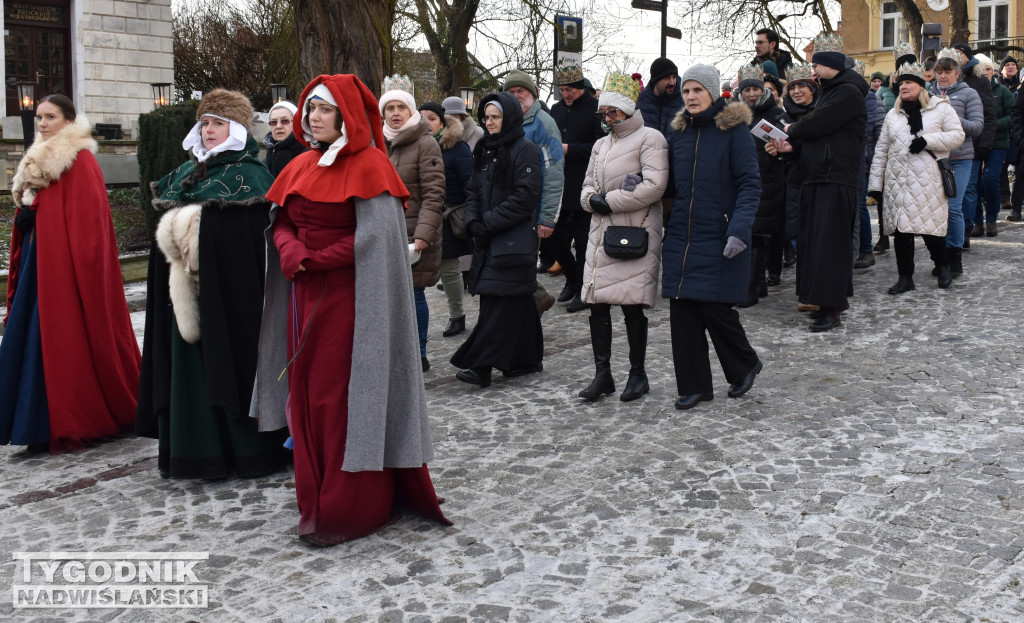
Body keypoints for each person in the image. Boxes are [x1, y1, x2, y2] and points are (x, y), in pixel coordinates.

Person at [252, 74, 450, 545]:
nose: (312, 117)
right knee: (305, 398)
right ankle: (315, 498)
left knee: (341, 399)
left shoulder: (371, 166)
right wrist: (288, 250)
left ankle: (350, 506)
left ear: (346, 115)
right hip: (303, 297)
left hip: (353, 305)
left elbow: (376, 240)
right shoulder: (300, 164)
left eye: (323, 109)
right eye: (309, 108)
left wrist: (315, 259)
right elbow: (280, 221)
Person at [136, 89, 290, 479]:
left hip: (230, 299)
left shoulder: (251, 176)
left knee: (231, 363)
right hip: (182, 297)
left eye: (218, 123)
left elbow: (250, 245)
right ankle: (193, 451)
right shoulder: (186, 173)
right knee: (188, 372)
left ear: (236, 128)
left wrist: (207, 246)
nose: (208, 130)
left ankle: (246, 451)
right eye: (204, 123)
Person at [1, 95, 140, 454]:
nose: (43, 123)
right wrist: (27, 217)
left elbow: (88, 226)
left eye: (50, 117)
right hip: (38, 262)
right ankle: (32, 423)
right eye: (39, 117)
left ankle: (71, 419)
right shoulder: (38, 159)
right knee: (31, 335)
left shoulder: (80, 161)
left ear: (68, 121)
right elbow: (37, 211)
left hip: (63, 270)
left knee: (62, 338)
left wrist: (40, 215)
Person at [663, 64, 762, 410]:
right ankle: (695, 386)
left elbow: (750, 184)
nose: (690, 97)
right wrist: (639, 182)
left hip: (719, 231)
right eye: (686, 91)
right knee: (683, 309)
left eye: (697, 91)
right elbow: (669, 183)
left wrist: (738, 228)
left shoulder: (734, 132)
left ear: (712, 93)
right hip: (682, 233)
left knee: (714, 307)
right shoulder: (678, 133)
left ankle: (744, 364)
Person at [578, 72, 668, 402]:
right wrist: (591, 200)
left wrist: (608, 201)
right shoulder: (601, 144)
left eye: (613, 111)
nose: (607, 117)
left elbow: (654, 186)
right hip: (601, 232)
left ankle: (637, 374)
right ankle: (603, 374)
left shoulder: (650, 138)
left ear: (628, 110)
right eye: (604, 112)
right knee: (598, 306)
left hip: (634, 229)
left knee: (631, 306)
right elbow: (587, 184)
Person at [768, 33, 867, 332]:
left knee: (830, 247)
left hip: (835, 179)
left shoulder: (847, 92)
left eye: (817, 65)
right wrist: (791, 149)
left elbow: (819, 124)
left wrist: (791, 130)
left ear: (831, 65)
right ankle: (822, 302)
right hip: (817, 177)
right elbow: (818, 137)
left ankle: (832, 307)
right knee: (814, 245)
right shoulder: (829, 91)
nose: (812, 70)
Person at [451, 92, 544, 387]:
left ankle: (480, 365)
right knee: (516, 299)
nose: (489, 123)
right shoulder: (485, 149)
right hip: (488, 238)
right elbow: (474, 190)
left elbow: (525, 197)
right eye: (486, 117)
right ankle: (525, 359)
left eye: (495, 117)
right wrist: (473, 220)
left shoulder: (525, 150)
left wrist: (488, 223)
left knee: (499, 300)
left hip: (513, 239)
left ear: (510, 118)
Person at [868, 61, 964, 294]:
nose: (903, 86)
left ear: (921, 86)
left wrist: (928, 141)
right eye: (901, 82)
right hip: (897, 181)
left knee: (931, 227)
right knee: (901, 231)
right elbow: (882, 150)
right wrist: (875, 185)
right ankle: (905, 277)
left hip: (927, 179)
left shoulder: (940, 108)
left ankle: (942, 267)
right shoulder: (893, 114)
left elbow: (957, 136)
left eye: (909, 82)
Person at [380, 75, 446, 372]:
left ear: (411, 111)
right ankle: (394, 349)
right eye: (390, 107)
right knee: (388, 295)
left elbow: (434, 194)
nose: (395, 113)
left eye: (401, 107)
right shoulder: (378, 144)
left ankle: (418, 352)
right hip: (384, 232)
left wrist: (423, 235)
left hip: (413, 233)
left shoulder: (425, 143)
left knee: (414, 294)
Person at [503, 70, 565, 315]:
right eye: (511, 92)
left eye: (521, 91)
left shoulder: (544, 124)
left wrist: (547, 217)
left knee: (521, 265)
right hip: (506, 208)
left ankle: (531, 312)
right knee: (509, 264)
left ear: (533, 95)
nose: (516, 96)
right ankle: (536, 300)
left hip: (531, 210)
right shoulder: (502, 120)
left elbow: (554, 171)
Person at [549, 63, 606, 313]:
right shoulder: (555, 109)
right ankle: (571, 277)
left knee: (583, 241)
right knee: (552, 237)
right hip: (559, 183)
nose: (566, 94)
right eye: (562, 89)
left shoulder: (595, 109)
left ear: (581, 87)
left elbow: (600, 145)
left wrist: (569, 149)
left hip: (585, 182)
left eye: (570, 89)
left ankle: (584, 288)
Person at [418, 102, 474, 337]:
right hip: (420, 217)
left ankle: (457, 315)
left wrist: (470, 214)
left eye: (432, 118)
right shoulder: (415, 145)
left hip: (447, 218)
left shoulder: (456, 148)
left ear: (442, 122)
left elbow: (470, 184)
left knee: (449, 269)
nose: (426, 123)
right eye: (421, 118)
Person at [736, 64, 789, 306]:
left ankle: (750, 288)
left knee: (755, 233)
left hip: (768, 179)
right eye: (746, 90)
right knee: (750, 233)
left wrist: (778, 151)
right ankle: (757, 285)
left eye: (755, 90)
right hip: (743, 180)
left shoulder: (775, 113)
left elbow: (789, 147)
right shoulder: (735, 113)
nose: (751, 94)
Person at [930, 48, 985, 278]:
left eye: (948, 71)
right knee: (936, 210)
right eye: (939, 72)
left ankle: (955, 258)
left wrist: (951, 113)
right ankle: (940, 259)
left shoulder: (969, 93)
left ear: (957, 72)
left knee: (953, 207)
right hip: (934, 158)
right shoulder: (928, 93)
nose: (943, 76)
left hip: (961, 159)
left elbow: (977, 127)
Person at [952, 43, 997, 249]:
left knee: (969, 189)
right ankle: (955, 230)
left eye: (959, 53)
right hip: (947, 146)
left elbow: (988, 114)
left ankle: (965, 230)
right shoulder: (944, 80)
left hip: (973, 144)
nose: (956, 57)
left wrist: (985, 144)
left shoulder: (979, 81)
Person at [778, 63, 817, 278]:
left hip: (819, 179)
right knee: (796, 232)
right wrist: (782, 151)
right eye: (792, 87)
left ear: (812, 88)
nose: (796, 91)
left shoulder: (822, 112)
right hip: (795, 180)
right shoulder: (785, 117)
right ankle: (805, 282)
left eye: (802, 86)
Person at [968, 54, 1013, 237]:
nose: (985, 72)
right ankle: (978, 222)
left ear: (993, 71)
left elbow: (1013, 116)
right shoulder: (972, 90)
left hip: (997, 143)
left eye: (988, 69)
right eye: (982, 69)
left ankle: (992, 219)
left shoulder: (1002, 91)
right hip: (976, 143)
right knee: (975, 184)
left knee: (990, 180)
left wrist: (992, 126)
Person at [637, 57, 684, 137]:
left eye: (674, 77)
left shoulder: (684, 102)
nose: (672, 82)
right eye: (667, 78)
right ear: (656, 80)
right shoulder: (639, 101)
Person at [263, 100, 308, 176]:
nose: (278, 126)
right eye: (273, 122)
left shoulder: (307, 157)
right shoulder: (266, 162)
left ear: (297, 123)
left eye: (285, 121)